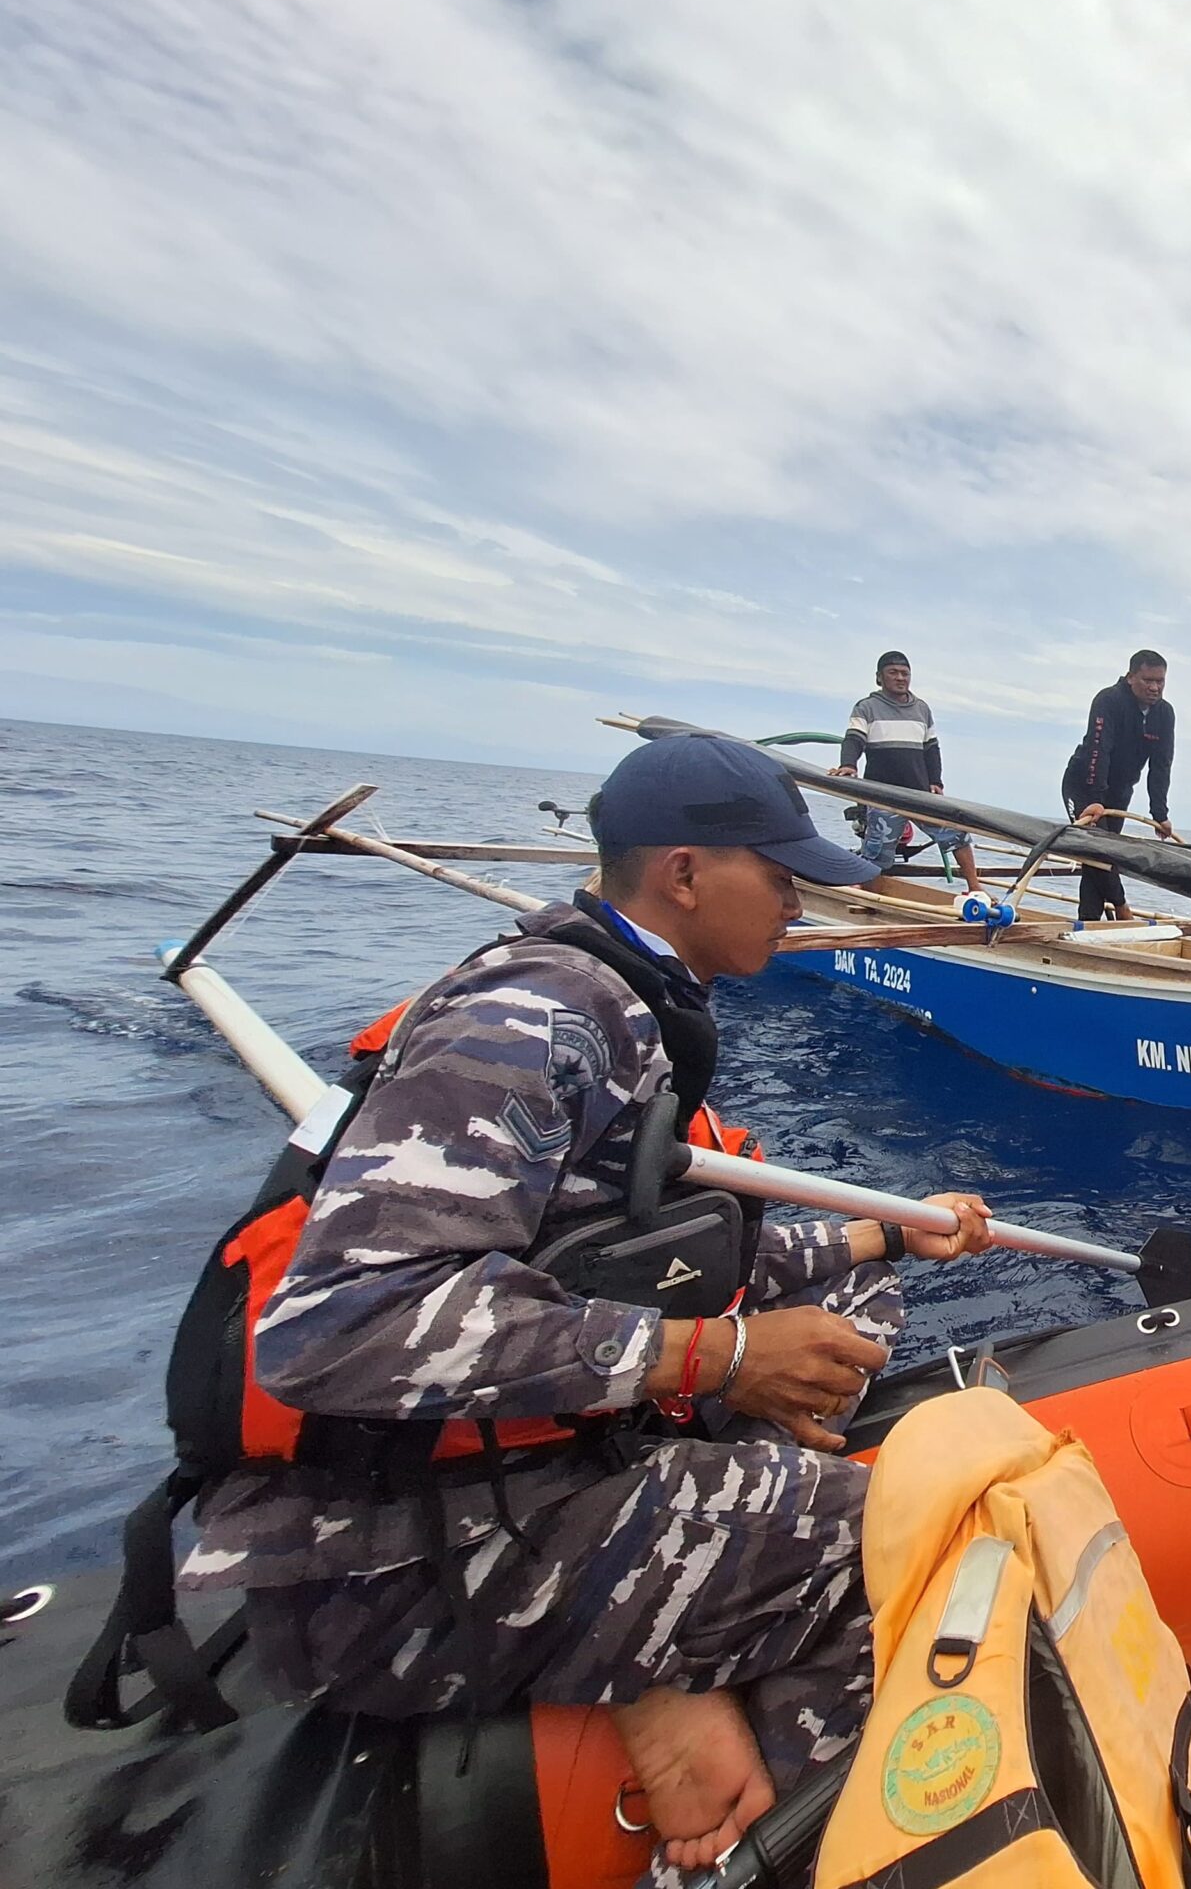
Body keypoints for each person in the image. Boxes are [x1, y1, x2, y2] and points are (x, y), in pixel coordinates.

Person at [179, 733, 997, 1881]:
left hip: (510, 1484)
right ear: (683, 875)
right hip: (389, 1564)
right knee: (929, 1539)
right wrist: (720, 1359)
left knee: (859, 1286)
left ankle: (674, 1639)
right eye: (779, 875)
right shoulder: (533, 1021)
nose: (797, 902)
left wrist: (878, 1233)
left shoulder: (619, 1002)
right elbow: (338, 1325)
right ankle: (728, 1844)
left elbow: (633, 1259)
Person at [827, 649, 983, 890]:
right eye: (893, 673)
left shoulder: (922, 709)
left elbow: (931, 748)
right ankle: (863, 891)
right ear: (879, 677)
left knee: (957, 835)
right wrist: (848, 765)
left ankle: (975, 887)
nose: (900, 678)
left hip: (919, 793)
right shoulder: (866, 707)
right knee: (877, 851)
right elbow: (854, 738)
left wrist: (936, 781)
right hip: (883, 794)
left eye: (905, 673)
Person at [1060, 648, 1176, 921]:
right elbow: (1099, 751)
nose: (1154, 687)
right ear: (1130, 677)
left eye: (1160, 681)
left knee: (1098, 859)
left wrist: (1160, 813)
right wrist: (1094, 797)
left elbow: (1161, 765)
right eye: (1148, 680)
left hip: (1120, 791)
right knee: (1098, 849)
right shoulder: (1109, 700)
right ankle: (1124, 911)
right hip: (1084, 784)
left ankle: (1088, 923)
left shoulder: (1165, 714)